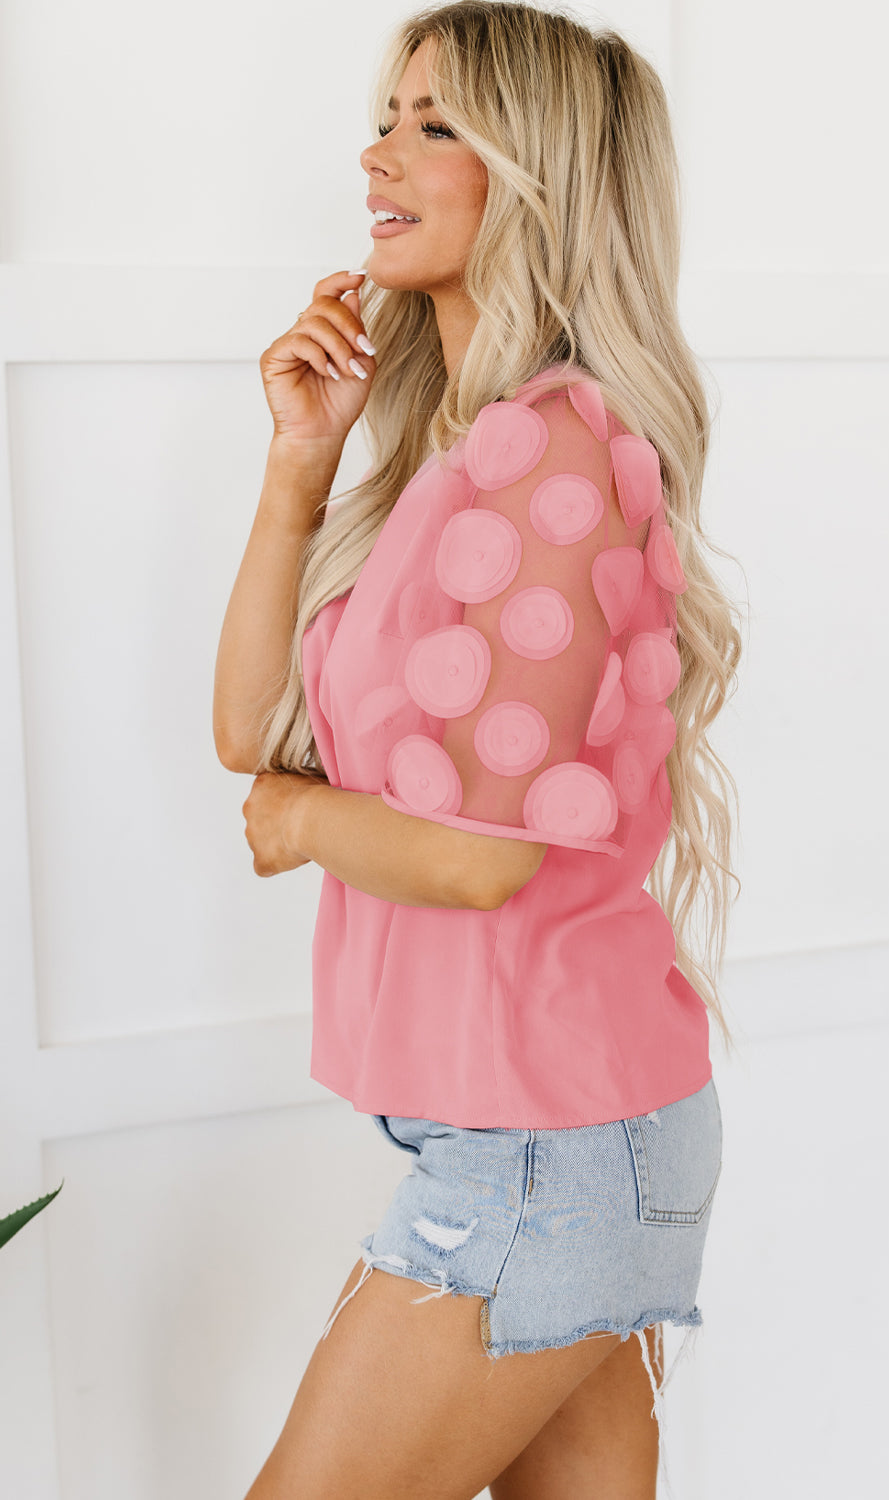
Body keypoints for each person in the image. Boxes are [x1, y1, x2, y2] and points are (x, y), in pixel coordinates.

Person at [213, 3, 742, 1496]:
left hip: (543, 1148)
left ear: (537, 177)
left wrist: (302, 827)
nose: (378, 155)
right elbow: (249, 732)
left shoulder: (554, 449)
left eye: (435, 124)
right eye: (386, 117)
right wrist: (300, 465)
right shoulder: (458, 452)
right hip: (546, 1133)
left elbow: (478, 859)